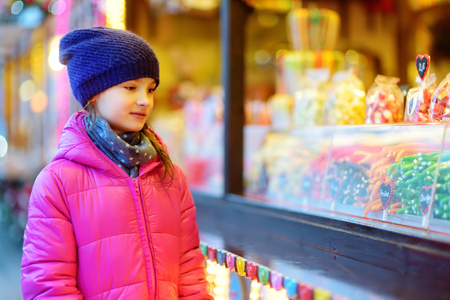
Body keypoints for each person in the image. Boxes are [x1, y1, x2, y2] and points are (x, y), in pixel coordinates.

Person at [20, 27, 212, 300]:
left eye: (150, 88)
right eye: (130, 87)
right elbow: (48, 283)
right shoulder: (58, 182)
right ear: (94, 93)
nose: (145, 100)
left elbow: (189, 269)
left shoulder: (170, 176)